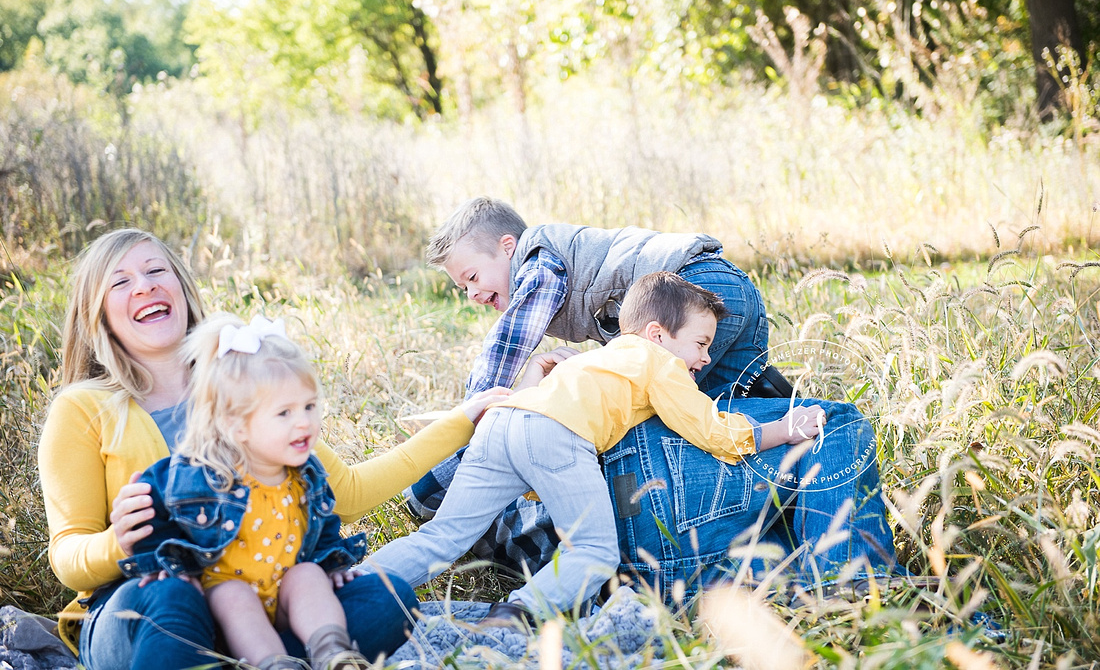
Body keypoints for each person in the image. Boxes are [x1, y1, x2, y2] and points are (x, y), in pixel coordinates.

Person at [37, 228, 505, 670]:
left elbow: (351, 493)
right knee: (171, 601)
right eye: (121, 282)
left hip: (264, 601)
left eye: (156, 271)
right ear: (97, 312)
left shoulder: (245, 380)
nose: (144, 287)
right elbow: (68, 558)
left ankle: (266, 658)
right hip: (146, 602)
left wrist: (462, 421)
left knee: (386, 598)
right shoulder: (83, 409)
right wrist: (116, 543)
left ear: (181, 287)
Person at [366, 273, 823, 624]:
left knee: (442, 537)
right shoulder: (658, 362)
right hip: (556, 434)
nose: (705, 358)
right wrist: (782, 430)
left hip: (503, 422)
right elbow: (708, 428)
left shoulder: (602, 356)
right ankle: (515, 617)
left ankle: (353, 586)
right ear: (658, 335)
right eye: (701, 344)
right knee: (594, 550)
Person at [406, 197, 794, 573]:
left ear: (508, 248)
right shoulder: (551, 261)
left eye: (473, 277)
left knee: (667, 417)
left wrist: (471, 413)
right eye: (463, 289)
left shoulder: (537, 261)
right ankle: (790, 472)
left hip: (686, 296)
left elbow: (508, 344)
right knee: (722, 407)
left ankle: (654, 528)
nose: (473, 295)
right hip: (726, 288)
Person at [117, 314, 372, 670]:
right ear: (237, 425)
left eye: (309, 406)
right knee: (232, 595)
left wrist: (332, 563)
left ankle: (333, 652)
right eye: (284, 412)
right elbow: (151, 503)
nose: (304, 422)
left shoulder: (307, 473)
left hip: (286, 598)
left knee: (309, 575)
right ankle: (274, 663)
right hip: (224, 604)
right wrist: (161, 563)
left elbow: (324, 523)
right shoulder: (200, 473)